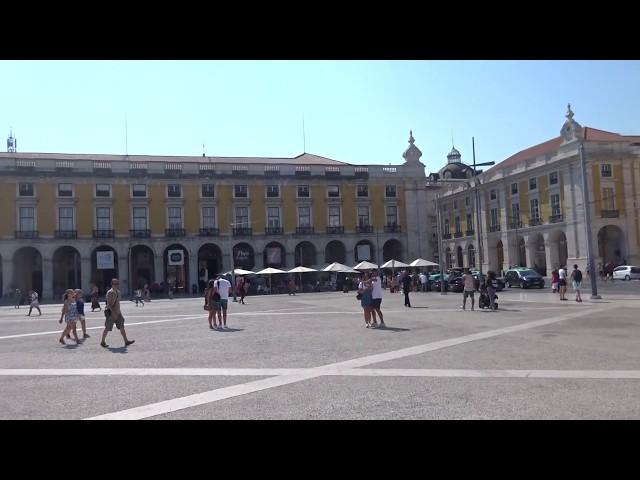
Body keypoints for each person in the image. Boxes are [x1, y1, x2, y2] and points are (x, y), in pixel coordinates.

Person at [100, 278, 135, 348]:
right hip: (112, 314)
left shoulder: (118, 292)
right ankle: (102, 341)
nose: (117, 285)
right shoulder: (110, 292)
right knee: (107, 328)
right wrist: (114, 313)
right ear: (112, 284)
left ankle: (126, 341)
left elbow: (117, 303)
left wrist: (118, 312)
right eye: (115, 284)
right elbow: (109, 305)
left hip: (118, 313)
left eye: (117, 283)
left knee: (122, 326)